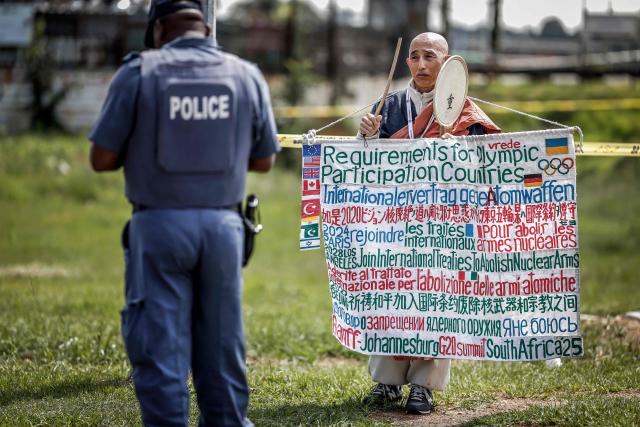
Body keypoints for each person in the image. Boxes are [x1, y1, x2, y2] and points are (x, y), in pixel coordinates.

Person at [88, 1, 279, 425]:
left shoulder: (138, 73)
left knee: (160, 346)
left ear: (158, 30)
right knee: (222, 344)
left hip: (158, 225)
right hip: (224, 229)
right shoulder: (246, 75)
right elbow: (264, 160)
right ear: (207, 28)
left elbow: (101, 158)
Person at [358, 32, 500, 415]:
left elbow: (485, 169)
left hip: (443, 227)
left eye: (430, 57)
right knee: (389, 297)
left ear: (448, 62)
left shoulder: (465, 112)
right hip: (394, 223)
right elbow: (367, 169)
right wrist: (366, 136)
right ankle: (386, 382)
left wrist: (461, 151)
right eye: (415, 57)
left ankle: (424, 386)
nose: (422, 65)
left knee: (436, 300)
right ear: (406, 63)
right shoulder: (387, 107)